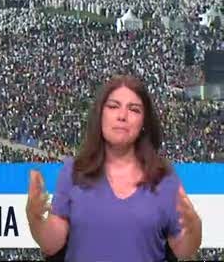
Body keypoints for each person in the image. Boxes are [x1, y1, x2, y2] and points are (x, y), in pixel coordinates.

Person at [26, 74, 203, 262]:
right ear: (100, 115)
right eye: (113, 106)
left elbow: (182, 249)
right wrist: (35, 219)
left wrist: (195, 231)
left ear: (144, 123)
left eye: (134, 110)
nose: (122, 116)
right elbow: (52, 243)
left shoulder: (163, 178)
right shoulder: (73, 172)